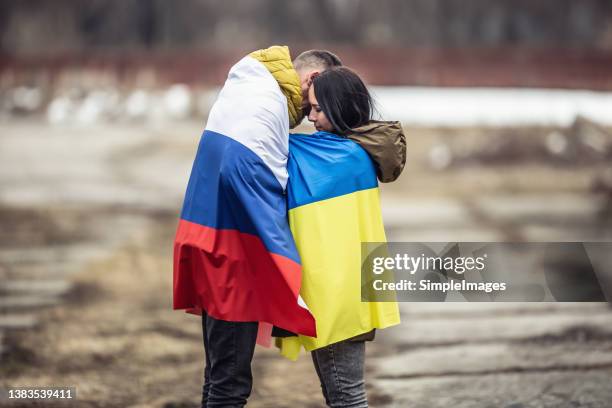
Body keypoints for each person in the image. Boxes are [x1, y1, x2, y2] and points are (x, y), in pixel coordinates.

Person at [173, 46, 342, 407]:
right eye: (316, 103)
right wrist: (285, 261)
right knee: (229, 385)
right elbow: (245, 173)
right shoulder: (264, 104)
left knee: (219, 378)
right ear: (312, 80)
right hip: (233, 260)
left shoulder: (250, 88)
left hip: (210, 242)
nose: (311, 116)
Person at [278, 66, 405, 407]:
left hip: (337, 296)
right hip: (347, 291)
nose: (311, 118)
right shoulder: (350, 152)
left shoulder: (338, 156)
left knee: (347, 397)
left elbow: (271, 142)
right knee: (343, 394)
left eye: (317, 109)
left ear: (339, 108)